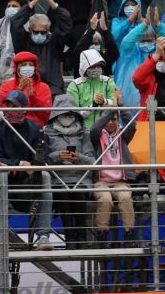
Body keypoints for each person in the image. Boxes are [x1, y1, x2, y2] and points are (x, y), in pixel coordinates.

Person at [0, 90, 54, 252]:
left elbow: (42, 156)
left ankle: (43, 235)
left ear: (24, 108)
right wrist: (19, 164)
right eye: (7, 105)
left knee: (44, 175)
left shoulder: (35, 129)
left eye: (14, 106)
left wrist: (32, 166)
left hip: (28, 180)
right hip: (3, 179)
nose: (10, 109)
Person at [44, 94, 96, 248]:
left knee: (78, 192)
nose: (67, 117)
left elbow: (93, 161)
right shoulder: (46, 133)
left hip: (81, 179)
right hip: (57, 179)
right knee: (63, 193)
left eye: (70, 113)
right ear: (56, 115)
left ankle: (82, 238)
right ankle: (70, 239)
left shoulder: (84, 133)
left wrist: (79, 157)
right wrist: (57, 156)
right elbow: (42, 159)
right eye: (63, 113)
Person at [10, 0, 73, 96]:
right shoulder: (22, 42)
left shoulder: (54, 42)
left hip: (52, 90)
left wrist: (52, 3)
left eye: (43, 32)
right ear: (29, 29)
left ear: (48, 30)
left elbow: (66, 24)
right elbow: (15, 23)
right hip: (26, 87)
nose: (39, 34)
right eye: (36, 32)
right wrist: (33, 2)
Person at [114, 6, 165, 108]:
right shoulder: (129, 54)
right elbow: (127, 41)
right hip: (129, 117)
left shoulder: (163, 54)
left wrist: (160, 26)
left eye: (149, 40)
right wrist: (144, 25)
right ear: (137, 41)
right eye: (143, 41)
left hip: (161, 112)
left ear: (155, 40)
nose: (146, 43)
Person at [90, 100, 138, 247]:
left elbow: (132, 123)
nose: (111, 122)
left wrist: (120, 105)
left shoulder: (123, 135)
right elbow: (96, 126)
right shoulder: (96, 135)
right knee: (105, 200)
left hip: (120, 181)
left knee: (126, 198)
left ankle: (129, 235)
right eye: (108, 119)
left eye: (114, 119)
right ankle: (102, 236)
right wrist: (110, 110)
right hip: (101, 181)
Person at [0, 51, 53, 126]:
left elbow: (45, 115)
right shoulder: (6, 86)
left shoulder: (44, 87)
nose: (28, 67)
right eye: (23, 65)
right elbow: (5, 111)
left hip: (36, 128)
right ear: (17, 68)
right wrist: (18, 91)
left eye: (31, 65)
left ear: (35, 68)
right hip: (13, 127)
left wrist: (33, 98)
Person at [67, 48, 117, 127]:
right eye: (93, 66)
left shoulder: (108, 81)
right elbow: (74, 114)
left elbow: (115, 106)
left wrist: (104, 101)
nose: (97, 69)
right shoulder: (74, 85)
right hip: (81, 131)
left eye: (99, 65)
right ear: (85, 66)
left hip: (104, 130)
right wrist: (93, 106)